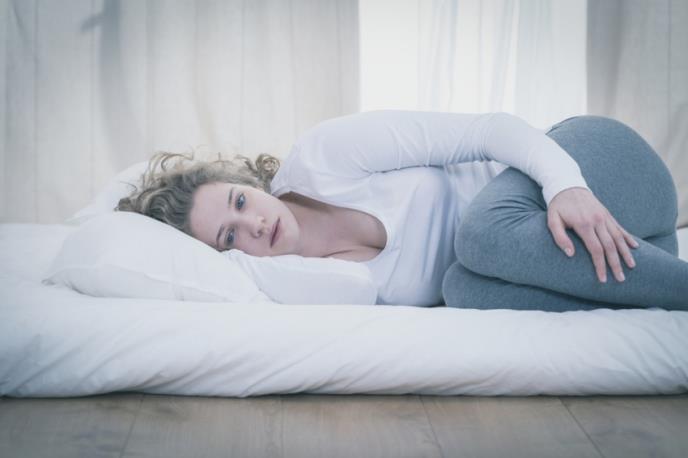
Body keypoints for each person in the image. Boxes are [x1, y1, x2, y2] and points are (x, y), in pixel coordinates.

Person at [117, 110, 688, 311]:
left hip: (590, 167)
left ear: (247, 182)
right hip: (629, 233)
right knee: (463, 291)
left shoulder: (326, 156)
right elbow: (356, 291)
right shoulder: (296, 282)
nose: (255, 225)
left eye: (240, 202)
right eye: (229, 237)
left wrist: (566, 186)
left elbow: (490, 130)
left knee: (476, 238)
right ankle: (659, 274)